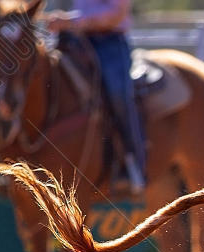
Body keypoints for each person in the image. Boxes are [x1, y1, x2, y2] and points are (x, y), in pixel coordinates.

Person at [44, 0, 144, 194]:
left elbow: (116, 15)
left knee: (118, 95)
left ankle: (133, 163)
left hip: (109, 44)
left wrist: (69, 21)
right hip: (76, 41)